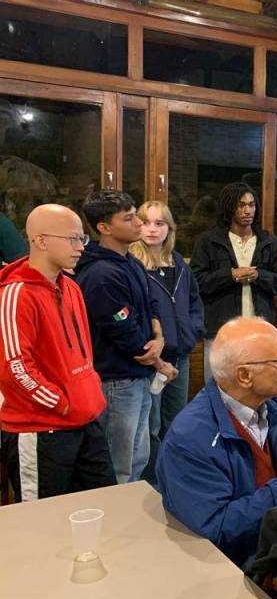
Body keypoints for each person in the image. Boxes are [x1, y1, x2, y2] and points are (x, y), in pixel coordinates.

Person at [157, 317, 277, 569]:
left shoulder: (274, 403)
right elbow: (215, 529)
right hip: (238, 567)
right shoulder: (190, 439)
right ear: (244, 375)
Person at [0, 204, 114, 500]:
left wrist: (89, 391)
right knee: (41, 518)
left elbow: (83, 352)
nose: (81, 247)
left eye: (82, 239)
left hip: (86, 420)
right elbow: (15, 368)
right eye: (73, 239)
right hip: (41, 428)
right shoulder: (16, 294)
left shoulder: (71, 287)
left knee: (103, 505)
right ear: (41, 240)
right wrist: (61, 403)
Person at [75, 190, 164, 484]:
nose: (139, 223)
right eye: (128, 218)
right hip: (116, 379)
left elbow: (150, 301)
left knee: (138, 455)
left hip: (137, 375)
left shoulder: (130, 262)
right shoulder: (100, 272)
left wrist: (159, 335)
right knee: (119, 462)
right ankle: (114, 510)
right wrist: (155, 358)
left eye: (136, 215)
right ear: (104, 227)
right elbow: (123, 329)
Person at [191, 183, 277, 378]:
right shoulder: (209, 241)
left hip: (259, 330)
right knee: (217, 385)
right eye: (241, 205)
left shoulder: (269, 242)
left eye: (251, 204)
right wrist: (230, 275)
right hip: (221, 330)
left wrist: (259, 276)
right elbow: (196, 281)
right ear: (229, 207)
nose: (248, 210)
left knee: (258, 385)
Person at [130, 201, 204, 451]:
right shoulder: (133, 265)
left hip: (180, 356)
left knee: (177, 420)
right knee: (150, 426)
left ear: (169, 228)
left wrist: (192, 333)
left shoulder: (179, 263)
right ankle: (151, 473)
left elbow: (194, 302)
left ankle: (173, 469)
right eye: (145, 223)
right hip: (150, 360)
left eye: (159, 223)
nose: (152, 229)